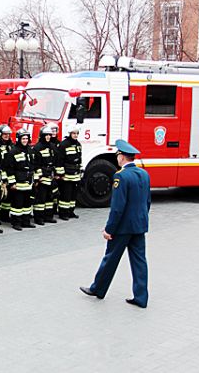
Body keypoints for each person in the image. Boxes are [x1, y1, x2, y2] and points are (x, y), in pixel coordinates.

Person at [80, 140, 151, 308]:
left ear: (121, 157)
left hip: (123, 228)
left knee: (110, 259)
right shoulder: (144, 174)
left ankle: (98, 289)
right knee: (140, 262)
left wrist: (109, 229)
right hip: (139, 226)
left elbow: (117, 208)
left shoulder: (121, 176)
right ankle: (141, 297)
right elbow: (147, 202)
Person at [6, 128, 37, 231]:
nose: (25, 140)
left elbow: (33, 166)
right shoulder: (13, 152)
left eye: (26, 138)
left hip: (28, 182)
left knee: (27, 203)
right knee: (17, 204)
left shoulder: (30, 150)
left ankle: (26, 221)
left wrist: (34, 180)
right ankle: (16, 223)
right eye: (23, 139)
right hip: (18, 183)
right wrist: (12, 183)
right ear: (18, 139)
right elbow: (10, 169)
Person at [32, 126, 58, 225]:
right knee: (40, 199)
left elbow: (56, 160)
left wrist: (55, 173)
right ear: (42, 136)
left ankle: (48, 216)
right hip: (42, 176)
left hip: (50, 176)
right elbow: (36, 164)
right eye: (46, 135)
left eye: (49, 135)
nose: (48, 137)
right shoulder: (37, 147)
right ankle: (39, 218)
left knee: (50, 198)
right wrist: (39, 177)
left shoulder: (52, 146)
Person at [57, 125, 82, 220]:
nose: (75, 135)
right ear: (70, 134)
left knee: (73, 195)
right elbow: (60, 160)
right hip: (67, 174)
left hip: (75, 174)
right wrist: (61, 174)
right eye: (74, 133)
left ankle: (71, 211)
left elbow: (79, 158)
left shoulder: (78, 144)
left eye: (77, 133)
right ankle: (63, 213)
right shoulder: (64, 144)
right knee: (65, 195)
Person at [0, 124, 14, 223]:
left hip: (10, 173)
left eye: (8, 134)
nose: (7, 136)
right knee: (0, 195)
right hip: (1, 173)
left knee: (9, 196)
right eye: (4, 134)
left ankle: (5, 215)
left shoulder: (11, 145)